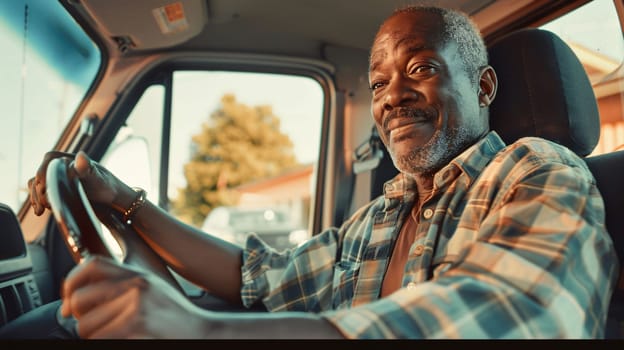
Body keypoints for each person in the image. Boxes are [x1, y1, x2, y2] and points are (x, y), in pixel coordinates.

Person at [11, 5, 620, 339]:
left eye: (422, 69)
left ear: (484, 85)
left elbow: (521, 310)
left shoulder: (536, 170)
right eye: (379, 82)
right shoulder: (384, 214)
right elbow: (254, 277)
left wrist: (205, 334)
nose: (391, 98)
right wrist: (119, 197)